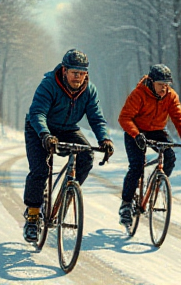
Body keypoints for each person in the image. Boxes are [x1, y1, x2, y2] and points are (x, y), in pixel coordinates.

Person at [23, 49, 114, 242]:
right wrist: (45, 135)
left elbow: (97, 119)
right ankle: (32, 216)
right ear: (64, 70)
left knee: (87, 156)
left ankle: (68, 193)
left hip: (67, 129)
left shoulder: (89, 90)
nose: (78, 77)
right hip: (39, 128)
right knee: (40, 170)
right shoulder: (49, 84)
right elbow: (38, 113)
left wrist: (104, 140)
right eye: (75, 73)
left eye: (82, 73)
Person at [118, 64, 181, 226]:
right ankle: (126, 205)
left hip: (157, 131)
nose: (164, 88)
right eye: (161, 84)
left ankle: (155, 186)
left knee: (170, 158)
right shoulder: (139, 94)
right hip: (136, 131)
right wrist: (136, 134)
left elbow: (179, 117)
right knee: (137, 166)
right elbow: (124, 118)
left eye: (167, 85)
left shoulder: (171, 96)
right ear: (151, 82)